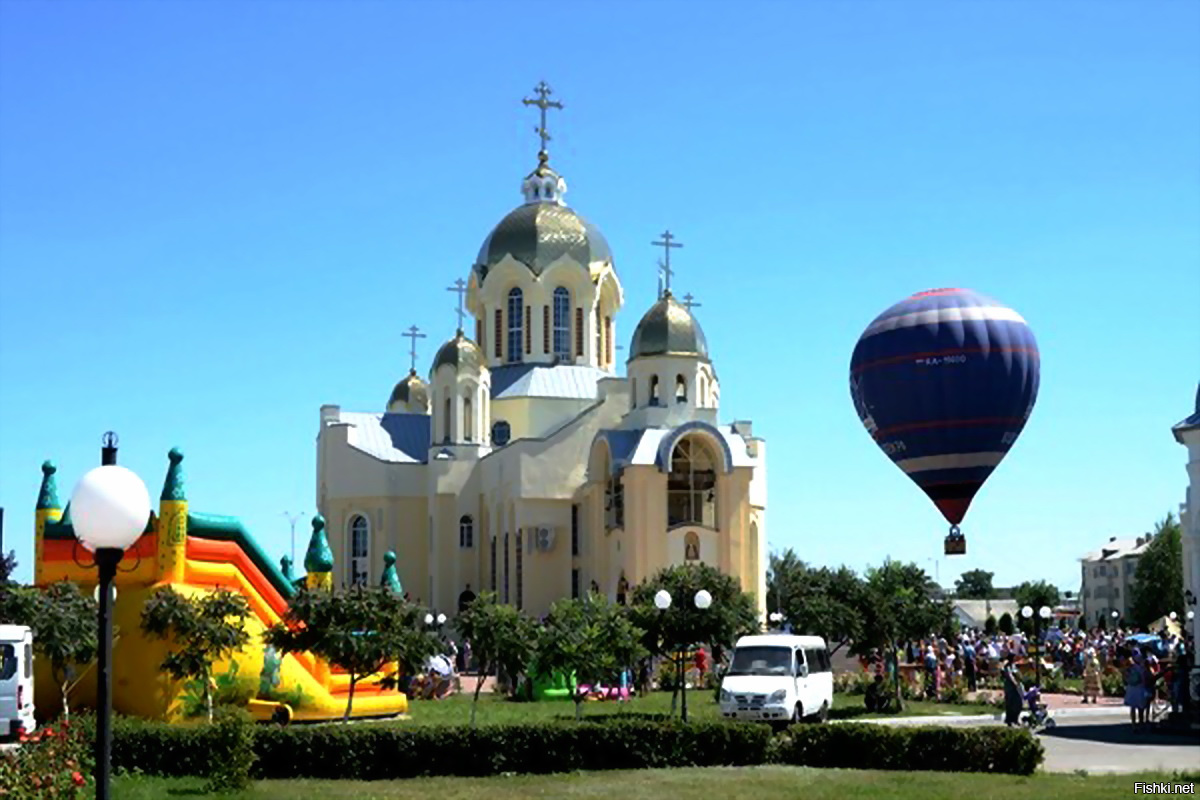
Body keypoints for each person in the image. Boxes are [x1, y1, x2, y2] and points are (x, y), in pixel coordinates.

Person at [1124, 652, 1146, 729]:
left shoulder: (1138, 668)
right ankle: (1137, 724)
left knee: (1137, 707)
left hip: (1135, 687)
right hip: (1136, 687)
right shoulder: (1137, 668)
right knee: (1137, 707)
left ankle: (1138, 724)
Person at [1002, 655, 1023, 726]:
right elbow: (1009, 675)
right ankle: (1009, 720)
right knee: (1010, 703)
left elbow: (1019, 674)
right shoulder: (1007, 667)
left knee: (1018, 703)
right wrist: (1015, 683)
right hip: (1010, 687)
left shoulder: (1014, 666)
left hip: (1017, 686)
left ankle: (1016, 719)